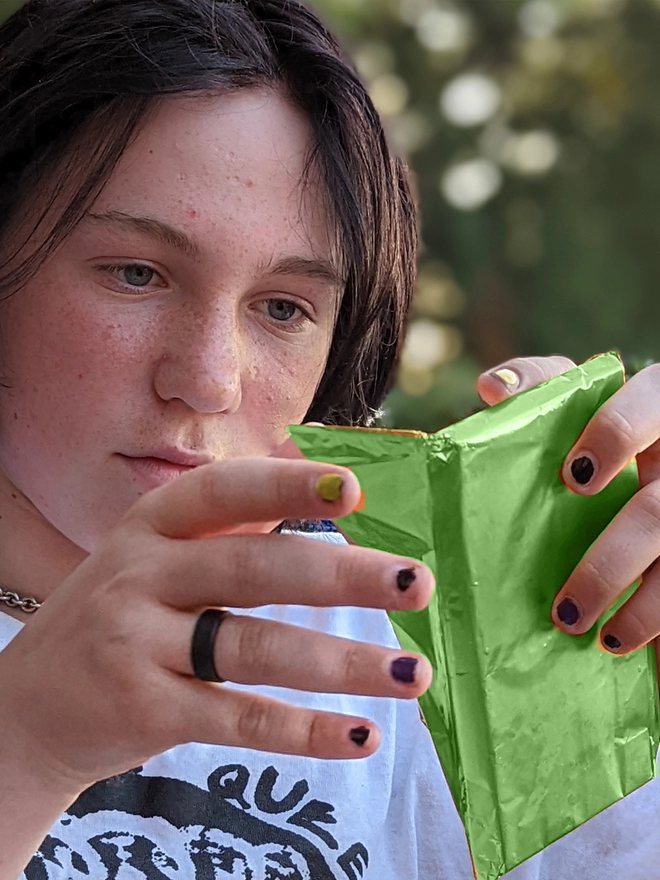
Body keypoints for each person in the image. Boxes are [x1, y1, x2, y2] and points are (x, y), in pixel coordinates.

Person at [0, 1, 659, 879]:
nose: (208, 379)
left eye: (282, 309)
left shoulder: (429, 629)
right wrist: (24, 749)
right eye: (134, 272)